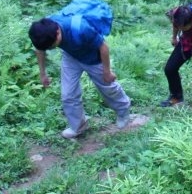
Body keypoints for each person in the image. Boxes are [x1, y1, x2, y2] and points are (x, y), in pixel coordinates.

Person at [28, 11, 132, 139]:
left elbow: (103, 46)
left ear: (58, 33)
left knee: (108, 87)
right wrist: (43, 73)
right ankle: (78, 127)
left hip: (94, 59)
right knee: (68, 95)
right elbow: (40, 50)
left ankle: (123, 110)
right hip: (71, 57)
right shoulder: (43, 32)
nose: (51, 49)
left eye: (52, 46)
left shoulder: (80, 28)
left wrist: (107, 71)